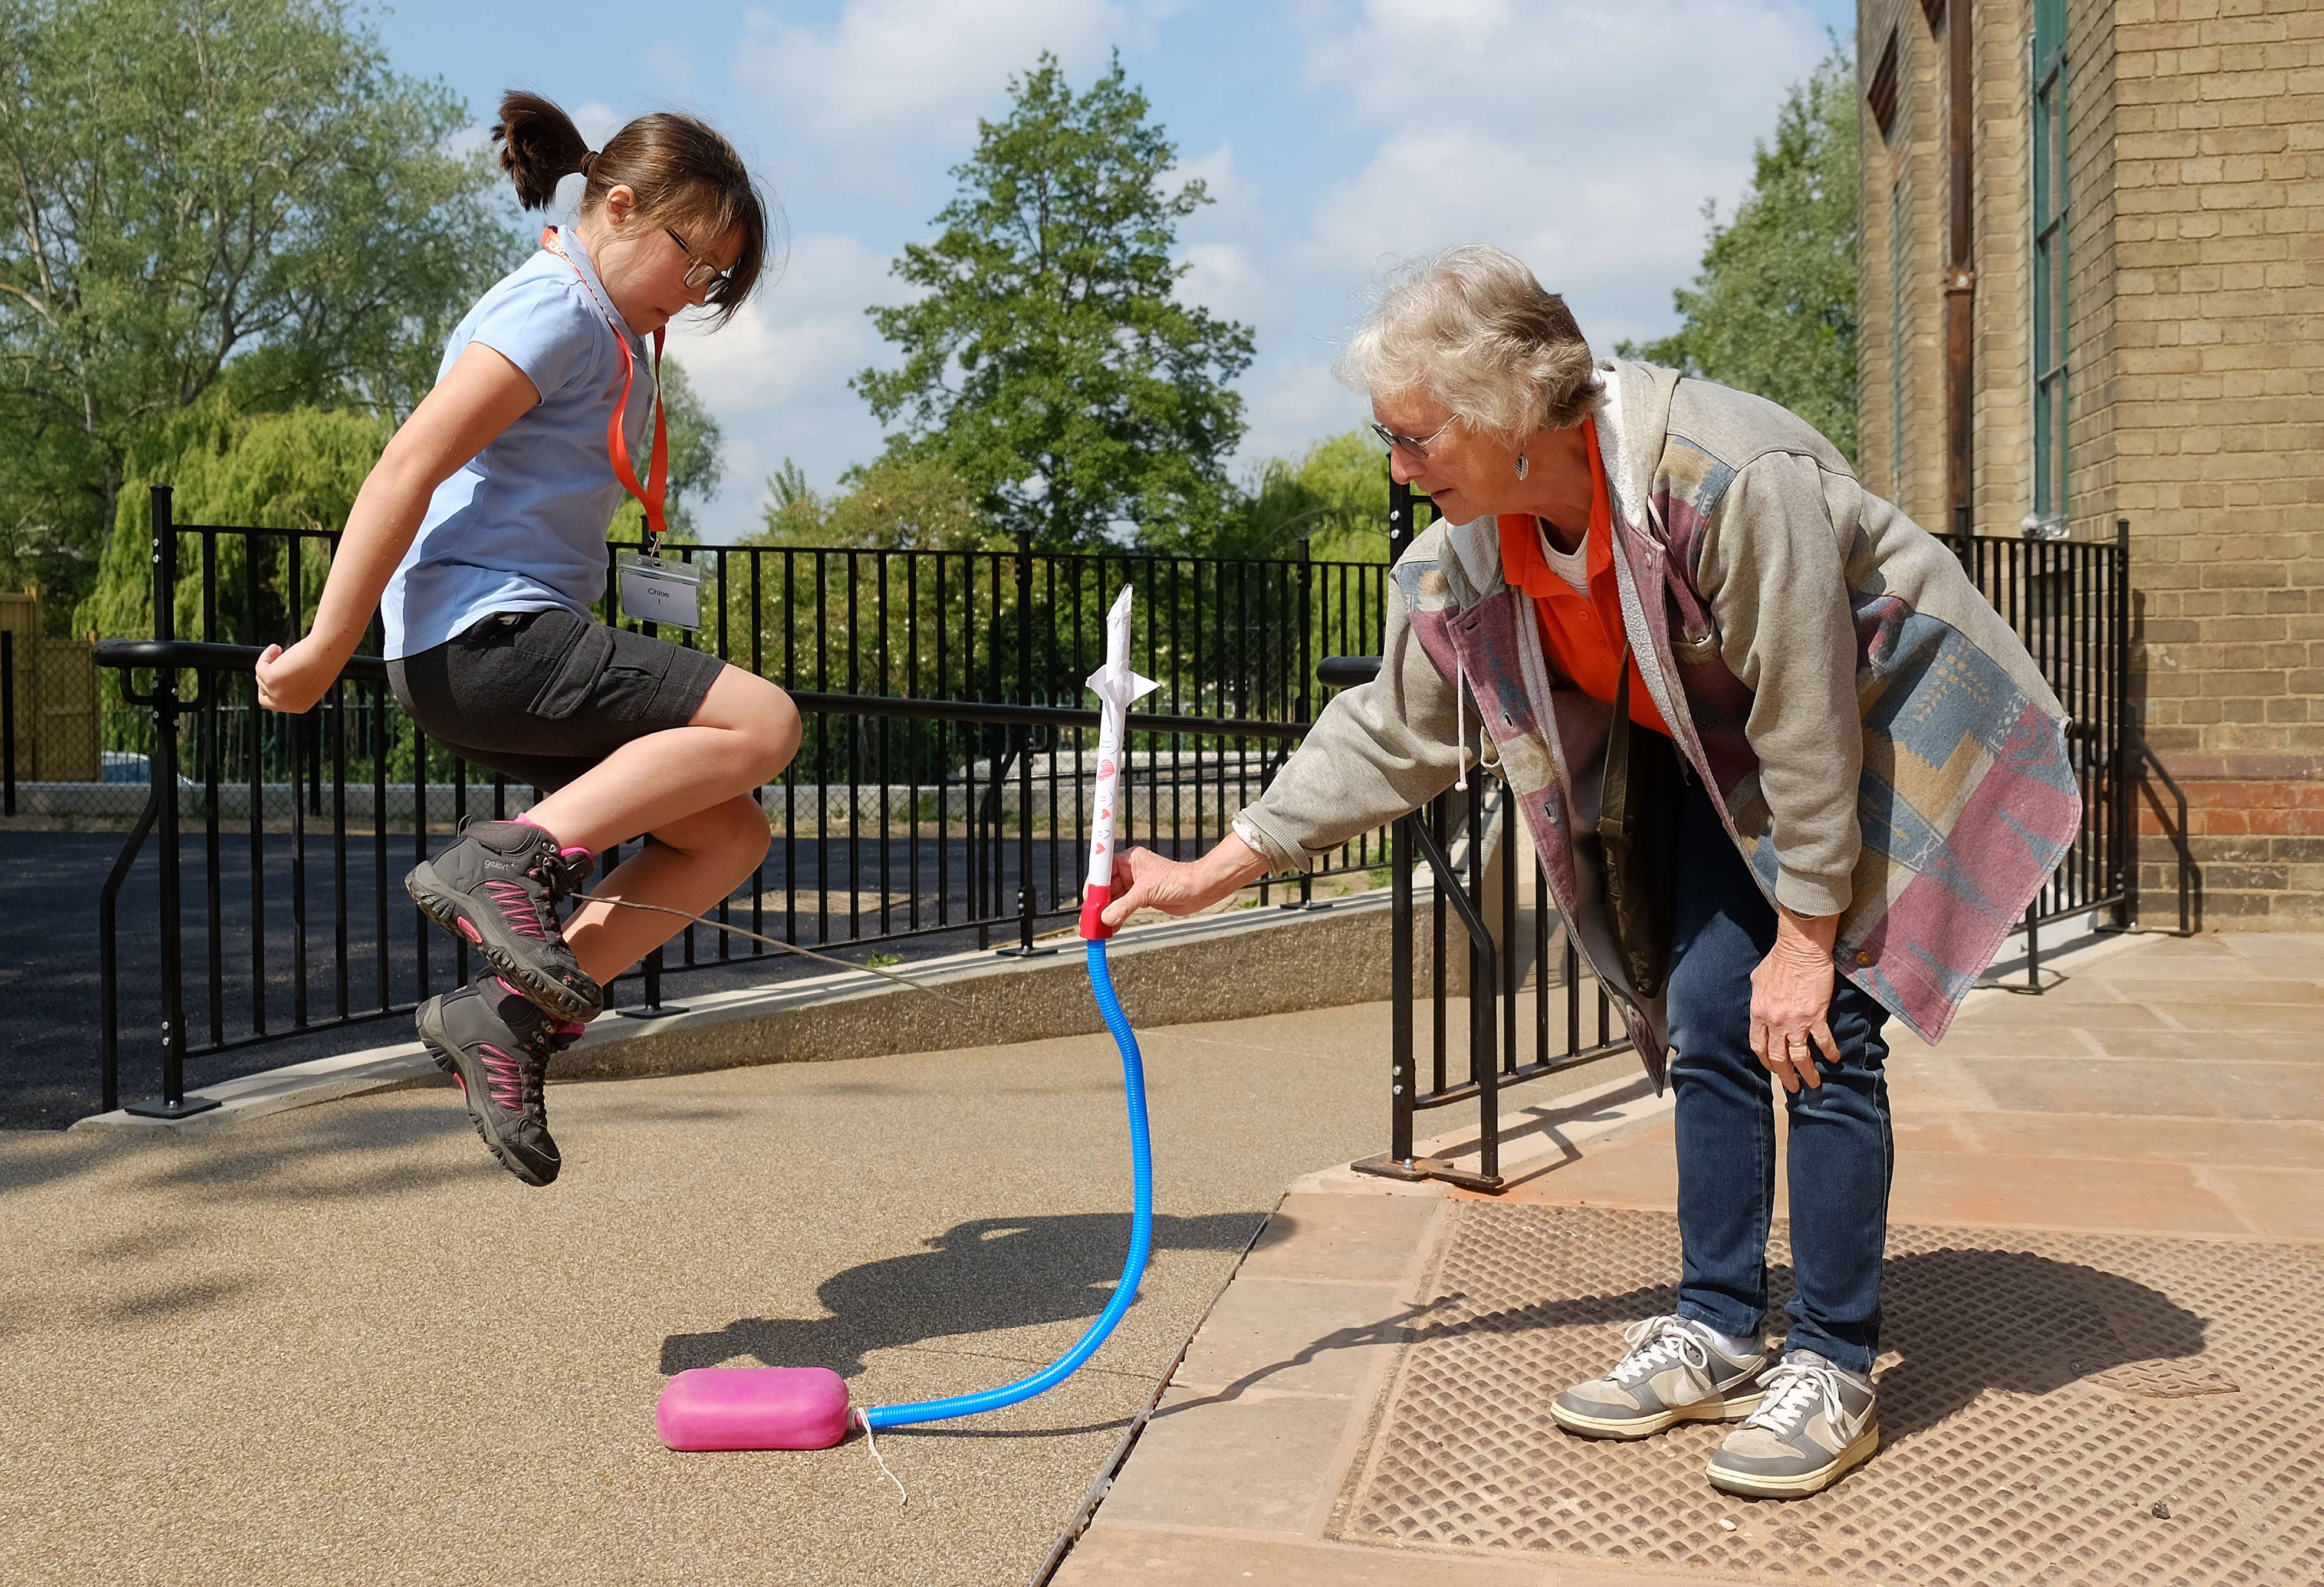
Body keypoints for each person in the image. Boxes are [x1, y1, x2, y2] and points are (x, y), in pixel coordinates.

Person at [1096, 245, 2079, 1499]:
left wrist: (1809, 935)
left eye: (1412, 437)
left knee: (1817, 1019)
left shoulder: (1724, 476)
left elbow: (1812, 726)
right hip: (1721, 753)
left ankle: (1833, 1359)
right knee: (1712, 1016)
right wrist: (1215, 869)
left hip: (1876, 726)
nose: (1396, 467)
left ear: (1509, 411)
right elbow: (1391, 728)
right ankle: (1720, 1327)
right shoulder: (1479, 541)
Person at [255, 93, 800, 1188]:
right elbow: (408, 465)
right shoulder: (557, 305)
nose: (695, 299)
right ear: (622, 205)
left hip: (497, 649)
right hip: (485, 636)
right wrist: (325, 645)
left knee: (727, 837)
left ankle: (506, 1020)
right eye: (695, 268)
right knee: (765, 718)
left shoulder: (603, 327)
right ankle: (504, 856)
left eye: (715, 288)